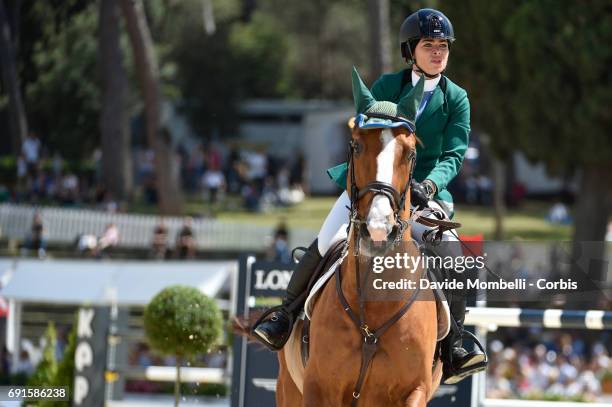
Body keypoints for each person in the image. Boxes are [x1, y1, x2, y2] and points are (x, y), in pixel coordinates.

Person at [252, 8, 487, 384]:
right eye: (430, 45)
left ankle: (455, 344)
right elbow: (366, 138)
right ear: (411, 50)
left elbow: (454, 154)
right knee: (327, 238)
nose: (439, 52)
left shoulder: (456, 97)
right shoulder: (385, 87)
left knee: (454, 256)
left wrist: (427, 185)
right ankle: (284, 315)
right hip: (370, 187)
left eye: (443, 46)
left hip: (425, 193)